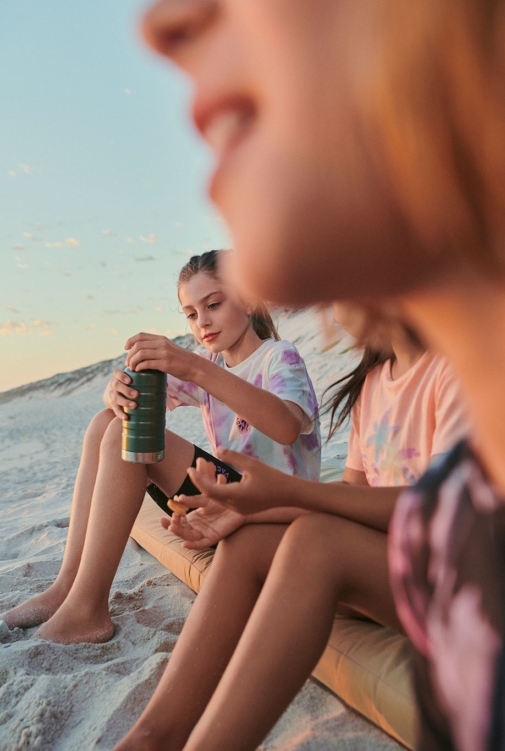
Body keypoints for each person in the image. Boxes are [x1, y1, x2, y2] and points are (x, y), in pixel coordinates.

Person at [128, 0, 505, 748]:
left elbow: (292, 438)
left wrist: (283, 490)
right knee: (127, 434)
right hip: (393, 547)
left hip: (365, 547)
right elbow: (355, 473)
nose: (161, 18)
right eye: (191, 312)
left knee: (311, 538)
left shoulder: (291, 366)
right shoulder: (476, 507)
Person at [113, 301, 469, 751]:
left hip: (461, 582)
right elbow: (352, 500)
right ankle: (154, 736)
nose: (333, 316)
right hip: (394, 571)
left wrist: (285, 494)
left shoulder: (456, 371)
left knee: (316, 541)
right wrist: (246, 512)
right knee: (252, 542)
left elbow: (440, 512)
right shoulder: (372, 384)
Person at [2, 249, 320, 644]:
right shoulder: (212, 364)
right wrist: (114, 392)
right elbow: (132, 408)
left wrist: (195, 367)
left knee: (124, 434)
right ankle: (69, 583)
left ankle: (87, 608)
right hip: (225, 501)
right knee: (110, 422)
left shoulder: (279, 356)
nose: (201, 322)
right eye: (190, 314)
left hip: (275, 509)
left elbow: (286, 425)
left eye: (214, 305)